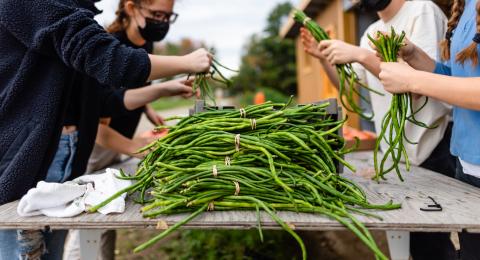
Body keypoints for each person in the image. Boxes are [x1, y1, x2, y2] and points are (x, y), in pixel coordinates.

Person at [0, 0, 211, 258]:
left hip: (52, 163)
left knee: (52, 251)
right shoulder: (40, 6)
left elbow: (99, 103)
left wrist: (162, 89)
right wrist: (187, 62)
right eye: (157, 14)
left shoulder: (79, 15)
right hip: (16, 166)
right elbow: (111, 61)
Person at [300, 0, 456, 259]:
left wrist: (360, 55)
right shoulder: (371, 31)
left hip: (431, 147)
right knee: (407, 243)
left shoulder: (421, 11)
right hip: (398, 155)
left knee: (432, 247)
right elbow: (349, 87)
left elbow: (421, 85)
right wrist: (324, 59)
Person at [377, 1, 480, 258]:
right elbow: (456, 79)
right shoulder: (466, 5)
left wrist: (412, 80)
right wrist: (413, 56)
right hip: (466, 166)